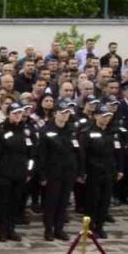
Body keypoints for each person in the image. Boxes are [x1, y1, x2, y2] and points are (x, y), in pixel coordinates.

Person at [36, 100, 81, 242]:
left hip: (68, 171)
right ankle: (48, 229)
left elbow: (77, 151)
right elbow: (41, 155)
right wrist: (42, 175)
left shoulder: (72, 130)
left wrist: (78, 170)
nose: (65, 115)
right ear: (55, 113)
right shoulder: (45, 131)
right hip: (52, 172)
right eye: (63, 112)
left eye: (67, 113)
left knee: (63, 202)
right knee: (51, 202)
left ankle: (59, 229)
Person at [0, 103, 32, 242]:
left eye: (20, 113)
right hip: (5, 172)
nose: (18, 116)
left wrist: (29, 171)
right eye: (14, 113)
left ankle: (11, 229)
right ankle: (2, 231)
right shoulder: (1, 130)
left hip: (21, 172)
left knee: (16, 202)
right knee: (4, 203)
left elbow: (31, 153)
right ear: (8, 114)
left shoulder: (26, 130)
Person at [80, 103, 123, 239]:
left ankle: (100, 226)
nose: (106, 119)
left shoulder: (113, 132)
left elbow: (118, 152)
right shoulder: (87, 132)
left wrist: (119, 169)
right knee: (92, 201)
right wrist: (82, 171)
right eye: (103, 116)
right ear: (96, 116)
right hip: (93, 171)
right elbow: (82, 154)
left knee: (105, 201)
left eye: (108, 116)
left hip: (109, 171)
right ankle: (89, 227)